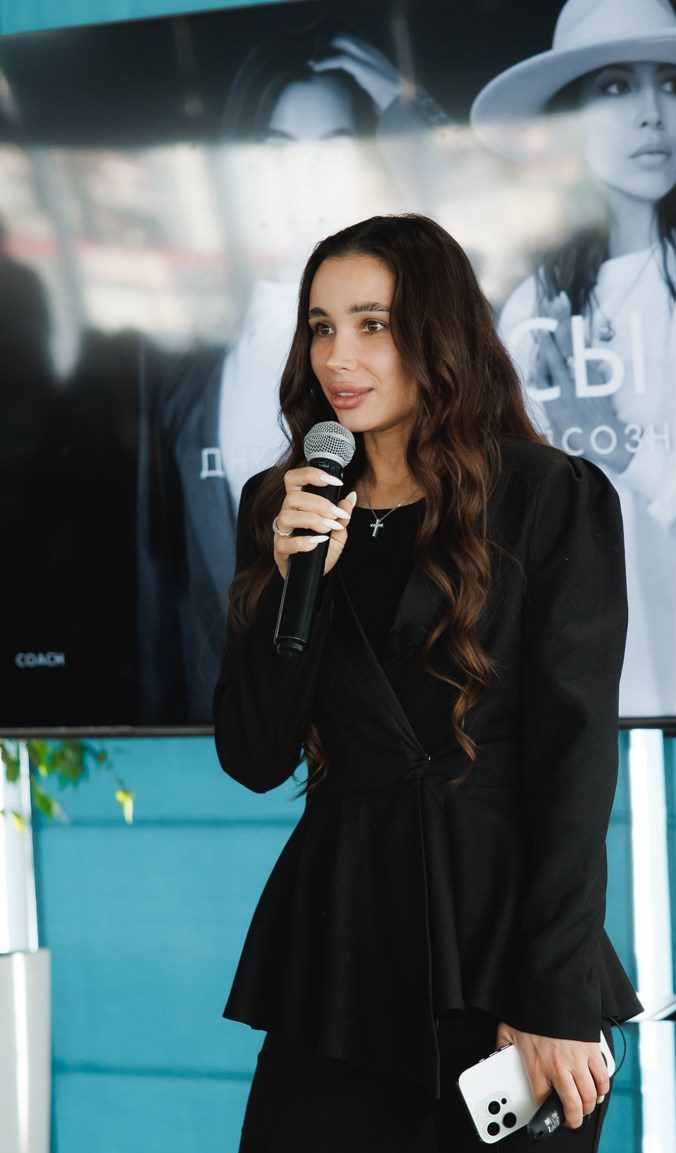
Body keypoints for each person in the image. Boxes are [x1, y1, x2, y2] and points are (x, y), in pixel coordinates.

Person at [213, 212, 642, 1153]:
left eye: (372, 324)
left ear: (436, 334)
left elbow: (573, 764)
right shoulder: (281, 506)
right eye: (320, 328)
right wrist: (285, 584)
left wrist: (553, 997)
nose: (338, 358)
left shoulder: (546, 495)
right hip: (339, 955)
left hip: (506, 950)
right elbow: (253, 756)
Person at [471, 0, 676, 720]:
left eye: (671, 84)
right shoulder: (528, 318)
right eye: (616, 87)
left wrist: (626, 449)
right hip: (612, 696)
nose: (652, 114)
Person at [137, 25, 452, 725]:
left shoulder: (424, 364)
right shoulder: (184, 369)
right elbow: (166, 588)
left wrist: (408, 108)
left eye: (333, 148)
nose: (303, 177)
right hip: (249, 725)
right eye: (278, 150)